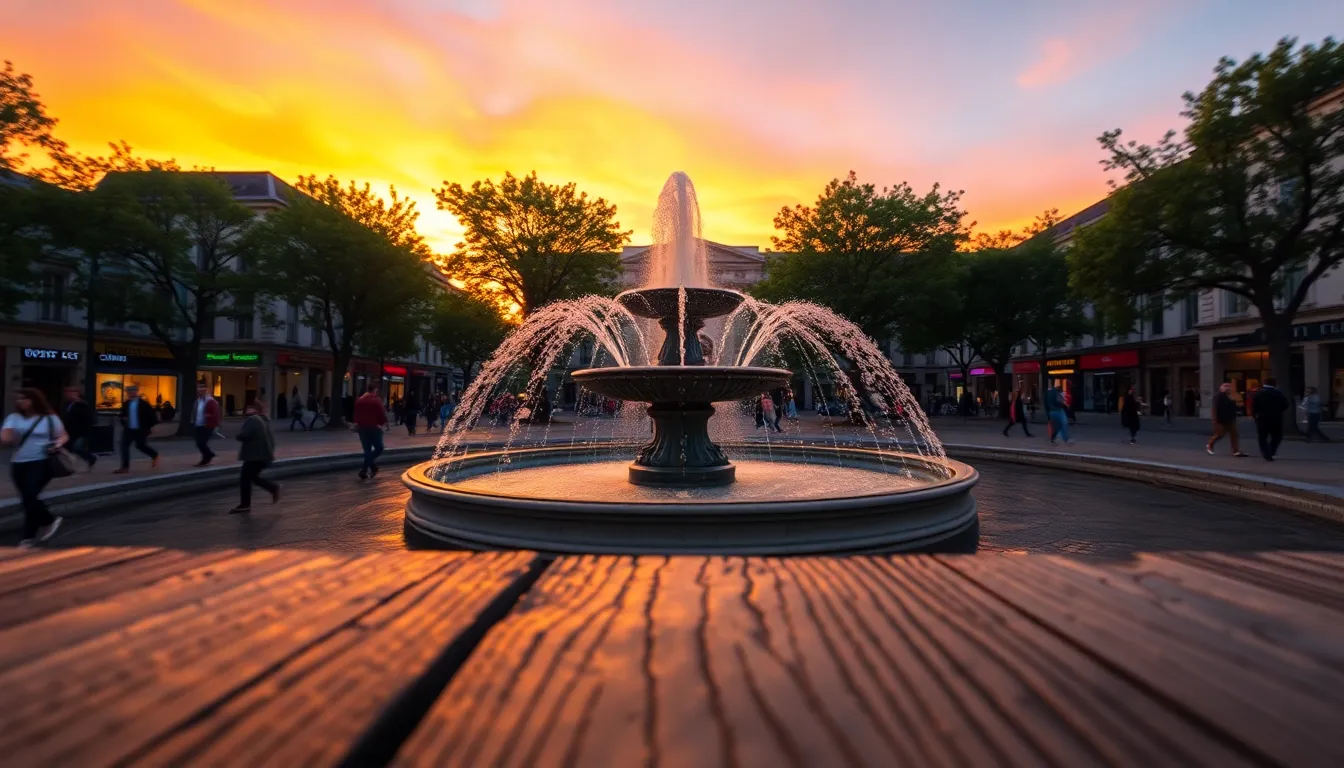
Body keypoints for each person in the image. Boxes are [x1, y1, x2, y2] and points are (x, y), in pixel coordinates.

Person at [2, 388, 67, 547]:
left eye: (25, 399)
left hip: (42, 461)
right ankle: (35, 531)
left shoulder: (50, 418)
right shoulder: (14, 418)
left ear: (34, 400)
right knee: (27, 500)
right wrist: (7, 437)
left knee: (30, 495)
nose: (21, 402)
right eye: (18, 399)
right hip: (18, 463)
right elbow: (5, 437)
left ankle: (35, 531)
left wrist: (57, 445)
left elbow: (63, 435)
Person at [231, 400, 278, 513]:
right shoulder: (265, 420)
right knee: (253, 477)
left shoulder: (253, 420)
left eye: (248, 407)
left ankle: (245, 504)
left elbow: (244, 435)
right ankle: (272, 488)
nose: (246, 410)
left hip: (253, 456)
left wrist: (238, 435)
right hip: (263, 456)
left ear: (254, 409)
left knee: (245, 479)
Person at [114, 386, 160, 474]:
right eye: (128, 392)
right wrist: (123, 419)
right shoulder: (126, 403)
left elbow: (152, 416)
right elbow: (122, 414)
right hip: (129, 429)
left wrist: (149, 427)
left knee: (140, 445)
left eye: (132, 391)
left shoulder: (144, 404)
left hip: (140, 429)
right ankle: (125, 467)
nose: (130, 393)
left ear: (136, 392)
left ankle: (154, 454)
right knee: (124, 446)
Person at [1251, 377, 1290, 462]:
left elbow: (1254, 406)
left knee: (1262, 437)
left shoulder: (1258, 393)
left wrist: (1255, 416)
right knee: (1277, 436)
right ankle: (1271, 450)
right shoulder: (1278, 393)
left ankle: (1266, 453)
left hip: (1262, 418)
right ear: (1274, 384)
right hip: (1276, 418)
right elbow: (1285, 405)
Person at [353, 385, 387, 479]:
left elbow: (356, 413)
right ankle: (364, 469)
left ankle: (372, 467)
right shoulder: (376, 400)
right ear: (375, 390)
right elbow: (381, 412)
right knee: (379, 448)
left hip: (362, 428)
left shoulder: (359, 400)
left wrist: (357, 423)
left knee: (367, 449)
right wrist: (381, 423)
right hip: (374, 427)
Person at [1206, 382, 1247, 457]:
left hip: (1230, 419)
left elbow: (1235, 406)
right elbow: (1215, 408)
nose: (1228, 389)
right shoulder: (1218, 396)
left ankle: (1236, 451)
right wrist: (1214, 419)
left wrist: (1237, 409)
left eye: (1229, 388)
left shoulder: (1231, 396)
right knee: (1220, 434)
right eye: (1226, 388)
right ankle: (1209, 445)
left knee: (1234, 434)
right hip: (1221, 419)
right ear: (1222, 389)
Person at [61, 386, 97, 469]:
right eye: (67, 393)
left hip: (80, 431)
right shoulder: (67, 404)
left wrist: (85, 431)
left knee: (77, 447)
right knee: (66, 449)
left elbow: (88, 419)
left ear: (77, 394)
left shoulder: (83, 405)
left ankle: (91, 458)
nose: (68, 395)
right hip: (69, 431)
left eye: (71, 393)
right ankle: (68, 466)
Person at [191, 381, 221, 467]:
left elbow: (215, 413)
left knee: (201, 442)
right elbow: (195, 412)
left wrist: (208, 416)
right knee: (199, 442)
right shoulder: (197, 401)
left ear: (205, 391)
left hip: (208, 425)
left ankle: (206, 457)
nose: (200, 391)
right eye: (199, 390)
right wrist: (193, 421)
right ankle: (208, 455)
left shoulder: (211, 401)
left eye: (202, 390)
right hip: (198, 425)